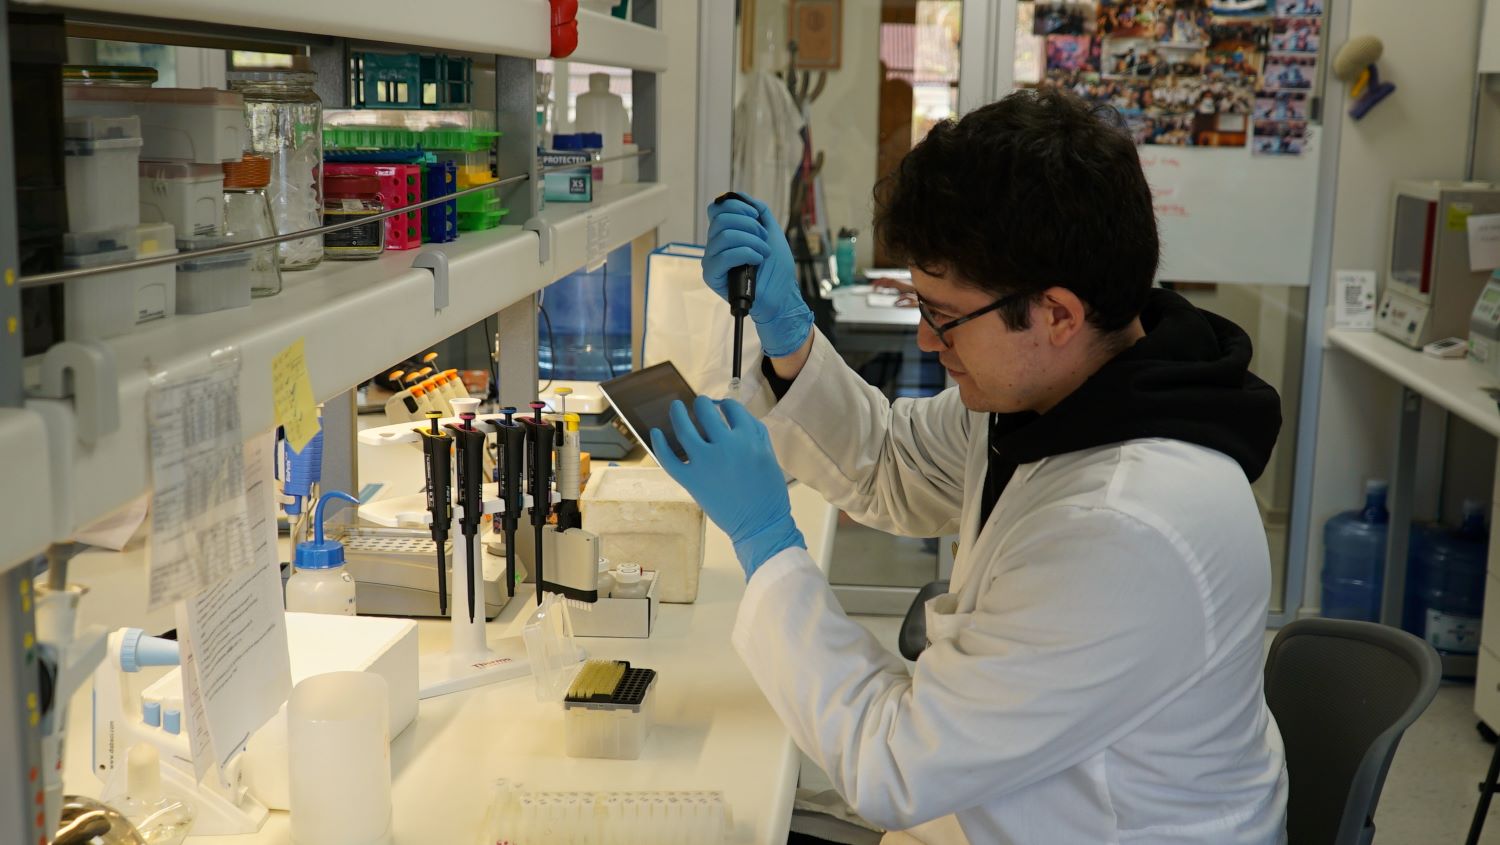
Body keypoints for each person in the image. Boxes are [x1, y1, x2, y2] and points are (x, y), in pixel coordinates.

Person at [654, 88, 1288, 845]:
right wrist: (791, 341)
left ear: (1056, 313)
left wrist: (767, 541)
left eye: (943, 316)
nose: (926, 342)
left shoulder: (1128, 525)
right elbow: (893, 461)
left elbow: (894, 765)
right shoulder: (1066, 393)